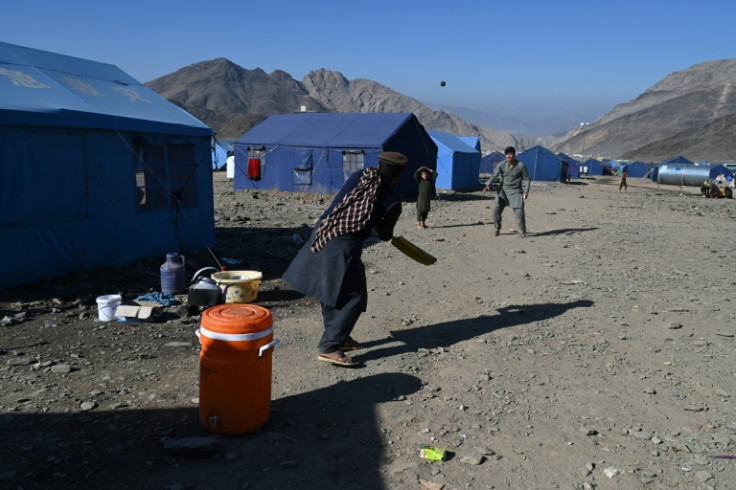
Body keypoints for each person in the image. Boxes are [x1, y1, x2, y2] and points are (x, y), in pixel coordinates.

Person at [283, 151, 408, 367]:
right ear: (398, 176)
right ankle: (330, 347)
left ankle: (341, 335)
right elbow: (384, 233)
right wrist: (381, 227)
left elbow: (344, 205)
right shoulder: (392, 199)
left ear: (379, 165)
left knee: (330, 290)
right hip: (343, 246)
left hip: (322, 232)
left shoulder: (359, 176)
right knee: (354, 297)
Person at [482, 146, 531, 237]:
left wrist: (526, 191)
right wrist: (488, 184)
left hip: (515, 191)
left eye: (511, 154)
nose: (509, 156)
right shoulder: (501, 164)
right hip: (503, 191)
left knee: (519, 211)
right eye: (507, 154)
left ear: (514, 155)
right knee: (495, 209)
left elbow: (527, 179)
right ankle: (497, 228)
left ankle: (522, 230)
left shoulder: (520, 165)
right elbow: (494, 175)